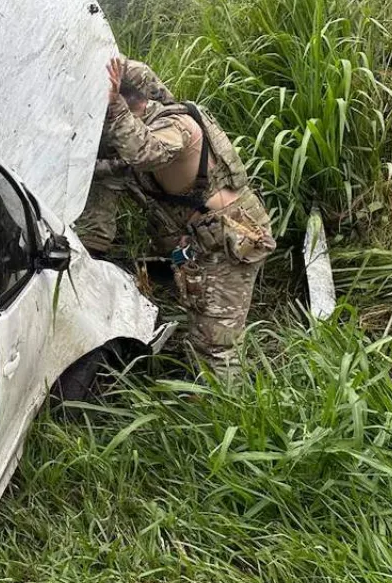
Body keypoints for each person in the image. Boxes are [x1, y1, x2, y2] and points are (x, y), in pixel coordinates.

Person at [101, 58, 275, 370]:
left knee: (216, 345)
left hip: (231, 241)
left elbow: (144, 152)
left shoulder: (175, 126)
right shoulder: (151, 119)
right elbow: (118, 163)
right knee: (199, 322)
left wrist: (113, 106)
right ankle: (204, 383)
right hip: (206, 243)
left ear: (133, 104)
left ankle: (228, 411)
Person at [76, 58, 175, 256]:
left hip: (143, 150)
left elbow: (169, 113)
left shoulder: (135, 74)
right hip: (103, 163)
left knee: (169, 221)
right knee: (93, 236)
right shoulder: (63, 86)